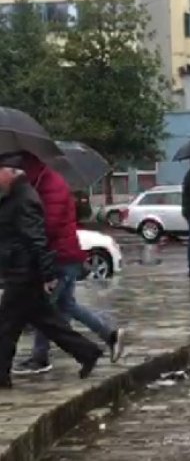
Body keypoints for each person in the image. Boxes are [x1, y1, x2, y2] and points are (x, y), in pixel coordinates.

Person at [11, 153, 125, 375]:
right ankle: (110, 335)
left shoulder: (49, 186)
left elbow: (48, 226)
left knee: (45, 309)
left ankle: (40, 357)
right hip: (64, 255)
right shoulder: (42, 183)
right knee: (67, 306)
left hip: (60, 258)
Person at [0, 155, 103, 389]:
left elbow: (37, 239)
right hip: (21, 270)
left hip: (23, 273)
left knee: (6, 326)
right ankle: (88, 352)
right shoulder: (16, 196)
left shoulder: (24, 198)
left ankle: (1, 376)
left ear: (12, 172)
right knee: (47, 322)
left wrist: (47, 274)